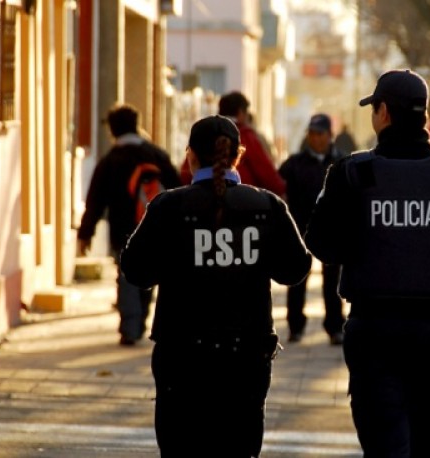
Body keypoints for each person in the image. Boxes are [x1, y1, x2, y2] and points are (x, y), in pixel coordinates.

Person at [305, 69, 430, 456]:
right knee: (427, 447)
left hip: (374, 331)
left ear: (383, 113)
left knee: (384, 445)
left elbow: (321, 243)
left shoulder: (351, 173)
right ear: (424, 116)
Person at [121, 115, 312, 457]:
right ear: (238, 155)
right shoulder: (267, 206)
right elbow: (295, 269)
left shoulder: (169, 207)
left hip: (182, 357)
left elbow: (136, 271)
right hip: (246, 357)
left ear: (190, 156)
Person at [78, 103, 181, 346]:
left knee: (127, 276)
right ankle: (141, 321)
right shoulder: (157, 155)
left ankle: (130, 327)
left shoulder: (110, 161)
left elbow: (95, 201)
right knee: (150, 275)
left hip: (123, 230)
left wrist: (85, 233)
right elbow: (178, 189)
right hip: (158, 230)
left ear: (113, 130)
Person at [278, 113, 346, 344]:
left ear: (330, 135)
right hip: (300, 231)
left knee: (332, 282)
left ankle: (335, 327)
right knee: (298, 278)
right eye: (312, 133)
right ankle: (295, 326)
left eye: (320, 133)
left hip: (332, 231)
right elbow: (279, 189)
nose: (315, 138)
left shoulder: (341, 163)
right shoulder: (294, 164)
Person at [180, 92, 286, 197]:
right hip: (245, 204)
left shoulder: (203, 134)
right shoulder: (246, 137)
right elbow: (267, 175)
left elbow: (184, 176)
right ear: (241, 113)